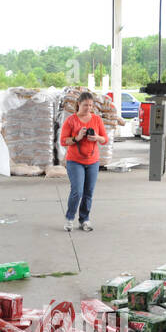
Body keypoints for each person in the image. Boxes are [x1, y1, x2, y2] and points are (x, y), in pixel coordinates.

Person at [59, 92, 108, 232]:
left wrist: (97, 137)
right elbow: (63, 141)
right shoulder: (71, 120)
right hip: (75, 161)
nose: (88, 108)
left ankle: (84, 219)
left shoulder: (97, 120)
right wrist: (77, 137)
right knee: (77, 191)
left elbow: (105, 140)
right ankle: (69, 218)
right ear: (79, 104)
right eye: (86, 105)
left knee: (88, 192)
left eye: (91, 105)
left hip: (93, 161)